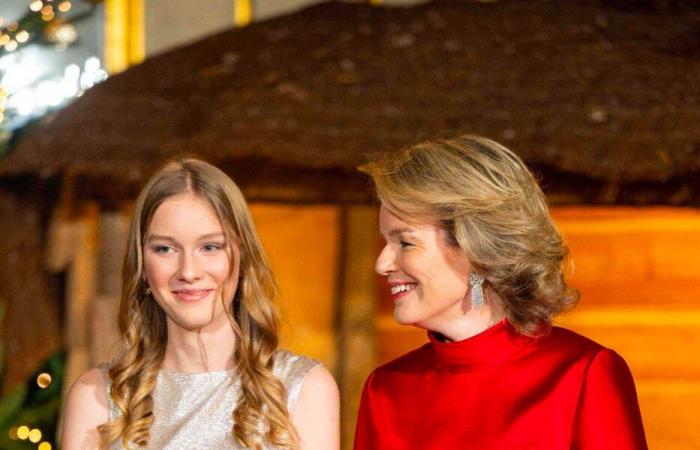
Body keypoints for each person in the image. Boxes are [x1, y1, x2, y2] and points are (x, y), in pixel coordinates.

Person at [353, 135, 647, 450]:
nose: (382, 264)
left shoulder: (584, 373)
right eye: (385, 242)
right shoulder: (385, 389)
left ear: (474, 248)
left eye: (405, 242)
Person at [61, 159, 339, 450]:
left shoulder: (302, 389)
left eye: (210, 247)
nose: (189, 272)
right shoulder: (98, 398)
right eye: (165, 249)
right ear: (142, 265)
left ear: (242, 256)